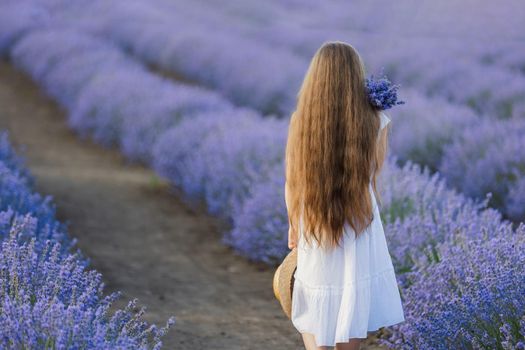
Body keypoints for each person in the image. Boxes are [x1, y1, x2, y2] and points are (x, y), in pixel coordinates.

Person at [284, 41, 405, 350]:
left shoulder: (301, 121)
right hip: (359, 219)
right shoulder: (377, 120)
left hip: (314, 215)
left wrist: (294, 225)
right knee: (352, 299)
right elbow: (372, 173)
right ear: (355, 76)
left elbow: (292, 180)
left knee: (314, 301)